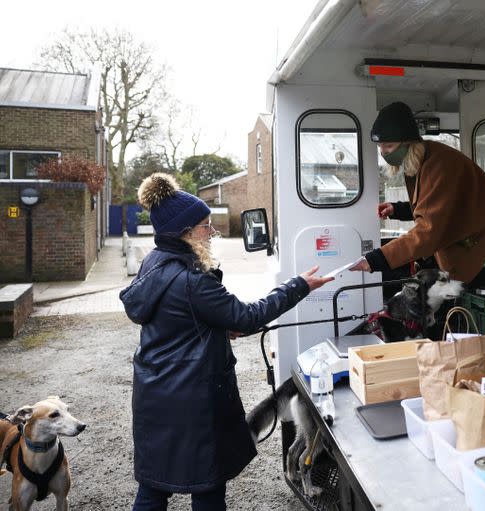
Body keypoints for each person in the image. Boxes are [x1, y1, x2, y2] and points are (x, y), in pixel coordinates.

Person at [119, 173, 333, 511]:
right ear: (185, 233)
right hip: (194, 401)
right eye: (206, 226)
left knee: (153, 488)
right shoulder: (192, 281)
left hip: (154, 395)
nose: (213, 231)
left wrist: (216, 328)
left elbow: (180, 321)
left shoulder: (154, 262)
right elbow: (246, 316)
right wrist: (298, 286)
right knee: (207, 486)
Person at [351, 101, 485, 289]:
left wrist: (378, 259)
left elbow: (429, 230)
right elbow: (435, 204)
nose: (383, 152)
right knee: (456, 295)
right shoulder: (423, 158)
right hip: (469, 234)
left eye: (388, 146)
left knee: (472, 301)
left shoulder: (439, 165)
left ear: (408, 142)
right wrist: (399, 210)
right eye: (380, 147)